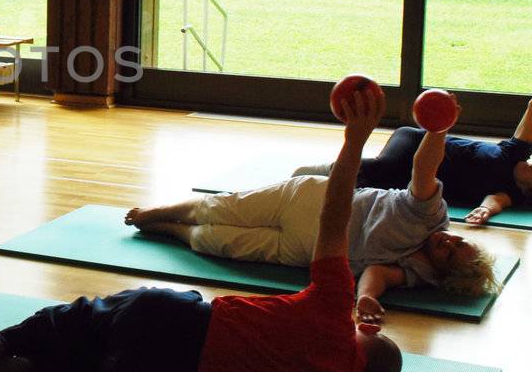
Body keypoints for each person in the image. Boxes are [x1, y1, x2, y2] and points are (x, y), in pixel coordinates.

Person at [0, 83, 404, 372]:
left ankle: (7, 342)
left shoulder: (334, 316)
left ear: (368, 333)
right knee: (95, 359)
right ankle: (33, 368)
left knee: (90, 316)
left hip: (175, 326)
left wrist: (354, 142)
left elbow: (333, 218)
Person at [122, 109, 497, 323]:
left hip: (302, 250)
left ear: (440, 269)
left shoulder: (421, 272)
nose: (448, 240)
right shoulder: (430, 212)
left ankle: (169, 229)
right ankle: (157, 212)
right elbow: (424, 170)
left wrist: (364, 299)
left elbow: (377, 274)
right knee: (220, 206)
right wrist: (438, 129)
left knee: (214, 241)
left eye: (448, 251)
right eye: (458, 240)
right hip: (308, 200)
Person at [293, 50, 532, 223]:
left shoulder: (508, 191)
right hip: (415, 139)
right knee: (385, 169)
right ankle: (319, 174)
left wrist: (483, 212)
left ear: (527, 190)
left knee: (387, 184)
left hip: (413, 177)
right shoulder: (518, 152)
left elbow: (493, 202)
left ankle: (318, 183)